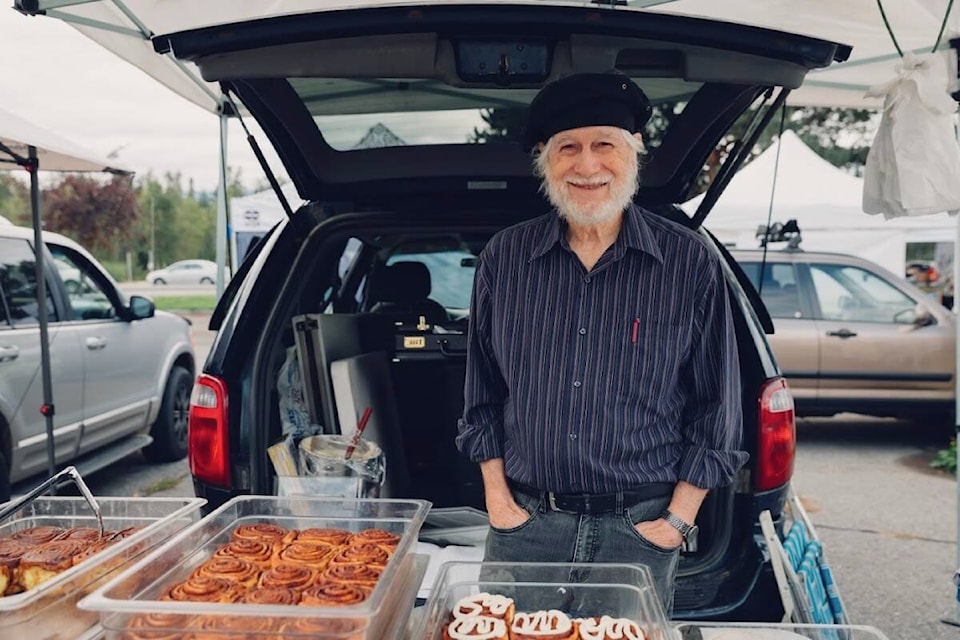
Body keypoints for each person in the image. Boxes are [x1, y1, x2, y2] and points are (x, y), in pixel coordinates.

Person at [455, 72, 748, 613]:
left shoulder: (689, 261)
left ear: (634, 149)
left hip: (640, 528)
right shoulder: (504, 258)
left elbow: (718, 405)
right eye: (569, 147)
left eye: (603, 144)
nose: (587, 166)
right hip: (526, 524)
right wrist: (497, 499)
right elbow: (482, 394)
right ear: (546, 158)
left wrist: (678, 519)